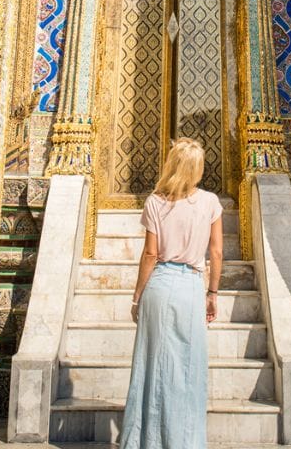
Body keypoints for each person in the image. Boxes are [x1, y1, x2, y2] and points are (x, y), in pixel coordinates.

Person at [120, 137, 223, 449]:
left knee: (151, 366)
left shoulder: (155, 201)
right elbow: (216, 253)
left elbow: (150, 254)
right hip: (191, 286)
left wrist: (137, 296)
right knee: (186, 370)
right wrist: (213, 292)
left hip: (160, 285)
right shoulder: (209, 202)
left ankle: (145, 441)